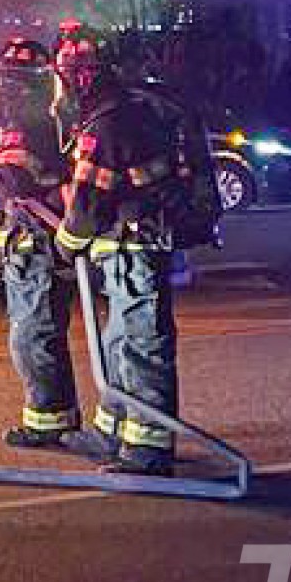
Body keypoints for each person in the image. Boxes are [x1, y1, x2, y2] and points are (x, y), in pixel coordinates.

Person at [49, 30, 193, 478]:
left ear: (80, 79)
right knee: (116, 344)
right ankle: (113, 434)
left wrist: (64, 246)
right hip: (126, 251)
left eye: (62, 79)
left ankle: (149, 450)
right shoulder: (111, 113)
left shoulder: (108, 123)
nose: (58, 91)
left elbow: (90, 203)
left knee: (142, 346)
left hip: (139, 248)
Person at [0, 36, 97, 456]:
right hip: (26, 237)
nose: (7, 84)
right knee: (33, 333)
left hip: (40, 237)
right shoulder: (9, 119)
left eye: (17, 75)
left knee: (35, 333)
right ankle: (51, 416)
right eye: (7, 72)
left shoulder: (41, 121)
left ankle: (50, 420)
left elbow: (18, 179)